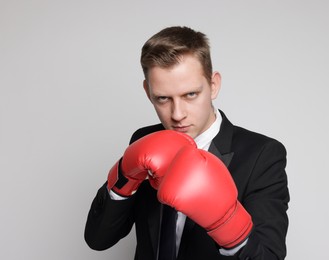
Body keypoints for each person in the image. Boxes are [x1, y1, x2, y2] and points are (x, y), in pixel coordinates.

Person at [84, 26, 289, 260]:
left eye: (190, 94)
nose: (177, 114)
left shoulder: (261, 155)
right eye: (163, 98)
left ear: (213, 85)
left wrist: (228, 226)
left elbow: (269, 256)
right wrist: (122, 178)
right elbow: (98, 240)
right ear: (147, 91)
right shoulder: (143, 140)